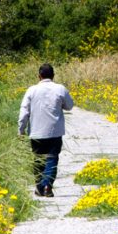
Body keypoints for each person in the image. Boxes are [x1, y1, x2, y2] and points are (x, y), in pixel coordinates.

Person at [18, 63, 75, 197]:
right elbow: (70, 106)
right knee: (52, 159)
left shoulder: (31, 90)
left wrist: (21, 129)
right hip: (55, 132)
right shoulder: (60, 89)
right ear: (53, 76)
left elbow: (24, 111)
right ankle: (48, 186)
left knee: (38, 159)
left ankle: (39, 187)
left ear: (39, 76)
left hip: (36, 132)